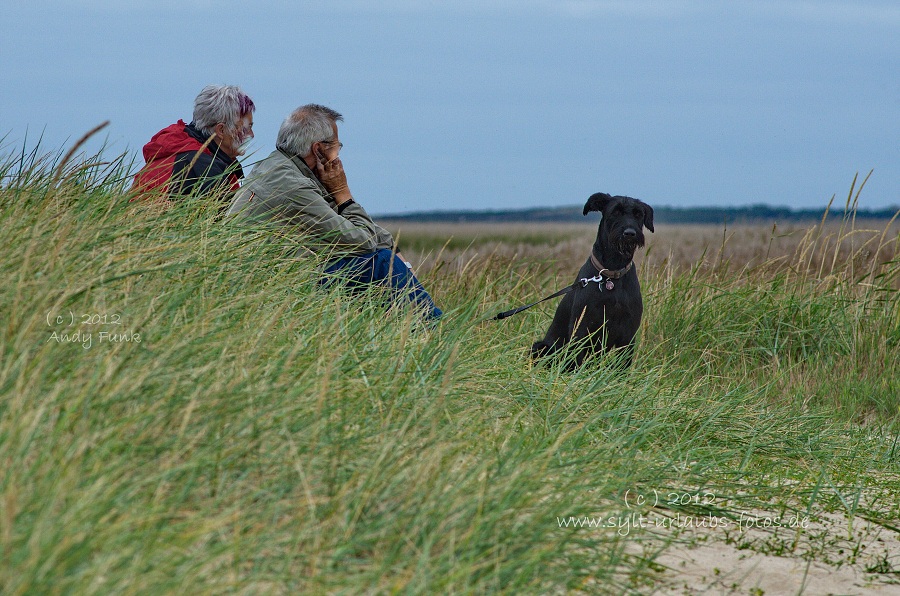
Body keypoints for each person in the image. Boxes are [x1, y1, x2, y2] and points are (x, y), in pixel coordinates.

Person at [227, 104, 442, 319]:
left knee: (385, 258)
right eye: (337, 147)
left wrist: (401, 261)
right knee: (380, 263)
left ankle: (412, 328)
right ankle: (432, 330)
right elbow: (363, 242)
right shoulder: (291, 184)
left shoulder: (282, 166)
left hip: (270, 276)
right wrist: (342, 192)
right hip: (266, 286)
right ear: (318, 149)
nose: (338, 156)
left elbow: (370, 235)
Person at [133, 85, 255, 202]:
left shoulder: (177, 149)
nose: (251, 135)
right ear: (221, 130)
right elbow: (224, 221)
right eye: (246, 128)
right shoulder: (205, 168)